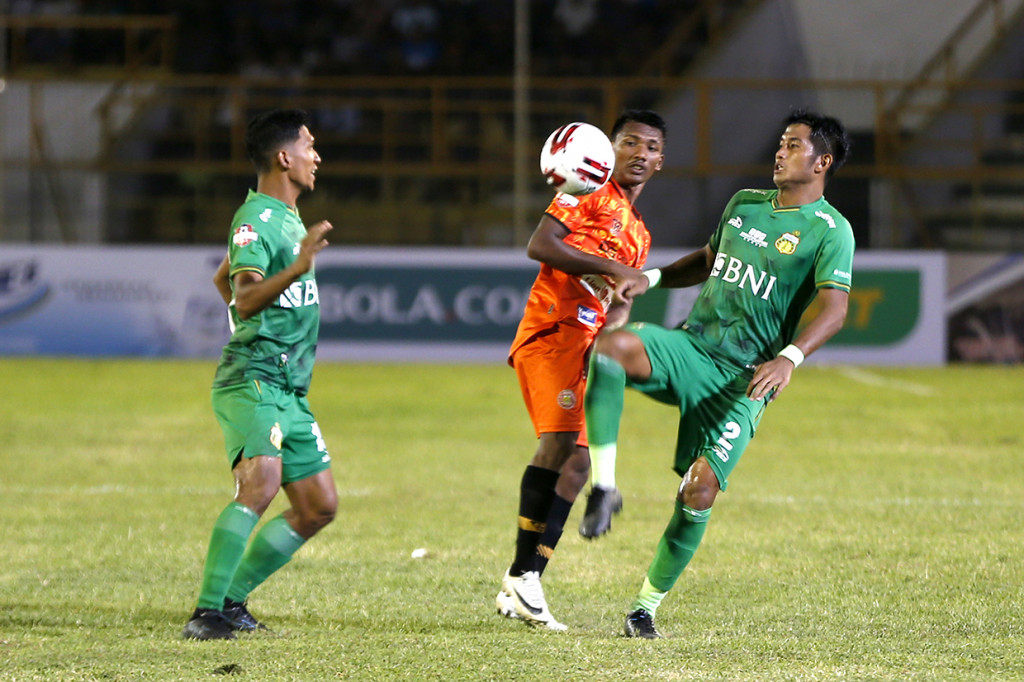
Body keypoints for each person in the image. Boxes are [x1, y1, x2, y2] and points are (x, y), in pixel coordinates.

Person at [581, 109, 854, 638]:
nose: (780, 152)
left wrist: (789, 357)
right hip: (692, 348)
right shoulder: (744, 204)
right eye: (780, 142)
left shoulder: (830, 231)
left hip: (745, 379)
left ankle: (644, 608)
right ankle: (605, 487)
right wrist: (651, 278)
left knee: (699, 489)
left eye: (793, 145)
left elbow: (835, 309)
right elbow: (708, 261)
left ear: (821, 162)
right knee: (611, 348)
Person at [496, 110, 667, 630]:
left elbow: (617, 306)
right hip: (552, 332)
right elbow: (541, 245)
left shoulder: (639, 235)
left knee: (577, 465)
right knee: (560, 448)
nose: (640, 153)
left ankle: (524, 579)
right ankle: (523, 579)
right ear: (609, 148)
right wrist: (612, 268)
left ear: (660, 161)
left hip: (585, 346)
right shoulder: (586, 189)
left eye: (651, 147)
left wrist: (616, 317)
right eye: (630, 142)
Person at [182, 109, 336, 640]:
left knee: (318, 506)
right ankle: (207, 613)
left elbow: (224, 279)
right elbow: (244, 295)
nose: (317, 156)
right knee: (261, 482)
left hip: (289, 388)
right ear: (284, 157)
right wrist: (293, 271)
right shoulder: (256, 219)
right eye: (309, 146)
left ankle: (231, 600)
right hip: (253, 378)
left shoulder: (286, 218)